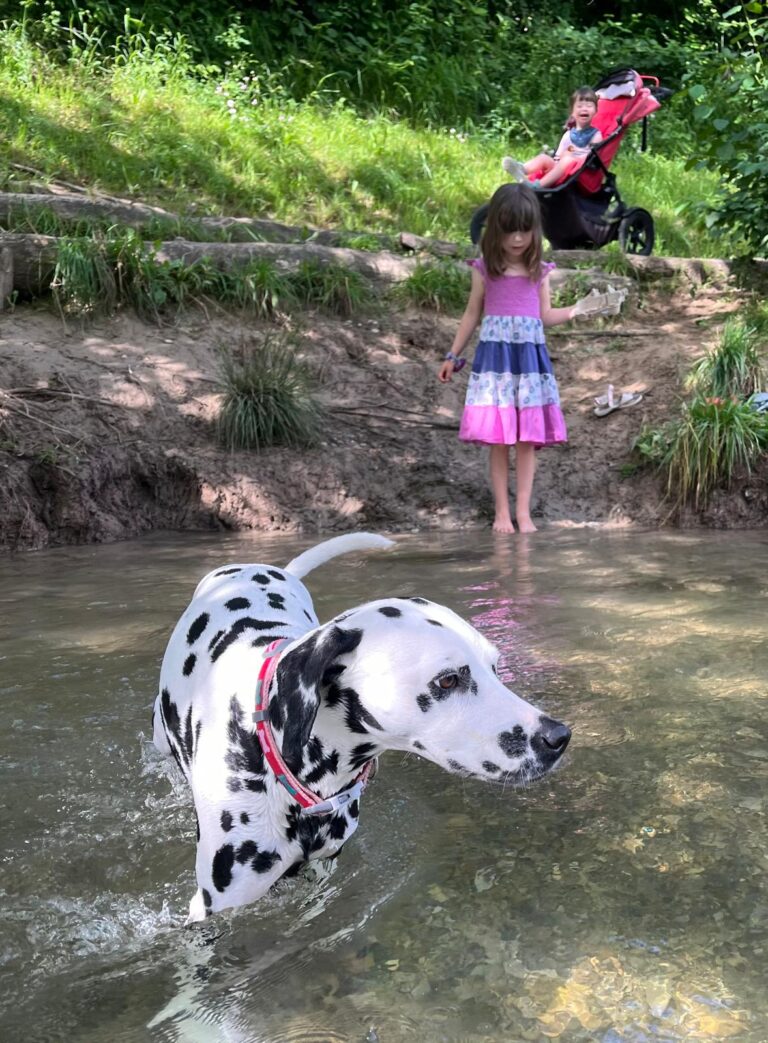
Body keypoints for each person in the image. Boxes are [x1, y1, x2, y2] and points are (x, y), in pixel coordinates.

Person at [438, 183, 581, 534]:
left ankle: (524, 513)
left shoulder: (539, 272)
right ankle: (502, 513)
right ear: (495, 230)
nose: (518, 239)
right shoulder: (485, 269)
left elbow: (545, 316)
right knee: (500, 439)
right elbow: (472, 313)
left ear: (536, 230)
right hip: (496, 365)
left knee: (527, 440)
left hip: (529, 365)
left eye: (525, 230)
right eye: (509, 230)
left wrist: (578, 310)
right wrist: (452, 355)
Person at [502, 86, 603, 190]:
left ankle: (536, 186)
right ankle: (521, 168)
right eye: (580, 106)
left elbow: (594, 158)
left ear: (595, 111)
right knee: (544, 158)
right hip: (560, 169)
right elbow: (558, 157)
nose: (584, 109)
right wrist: (565, 154)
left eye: (589, 106)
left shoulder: (596, 134)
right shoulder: (568, 135)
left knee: (567, 160)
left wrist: (573, 155)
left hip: (579, 173)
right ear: (572, 112)